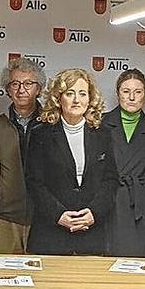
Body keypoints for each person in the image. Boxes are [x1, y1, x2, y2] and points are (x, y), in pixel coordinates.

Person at [25, 68, 118, 255]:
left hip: (91, 235)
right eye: (70, 93)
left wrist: (94, 213)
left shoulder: (103, 134)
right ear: (58, 99)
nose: (77, 100)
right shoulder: (40, 133)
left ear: (90, 99)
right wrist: (59, 215)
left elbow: (110, 180)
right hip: (51, 235)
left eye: (82, 93)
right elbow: (34, 183)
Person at [102, 68, 145, 257]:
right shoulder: (101, 124)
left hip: (139, 207)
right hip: (108, 204)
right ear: (117, 93)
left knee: (136, 267)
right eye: (126, 91)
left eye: (137, 92)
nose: (131, 97)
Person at [0, 58, 45, 254]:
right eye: (15, 83)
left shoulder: (52, 123)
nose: (22, 89)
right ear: (7, 89)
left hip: (44, 216)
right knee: (4, 276)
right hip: (5, 216)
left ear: (39, 89)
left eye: (28, 83)